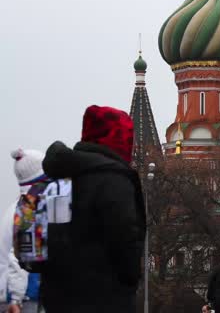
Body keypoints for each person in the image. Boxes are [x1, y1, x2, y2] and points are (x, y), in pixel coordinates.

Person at [41, 105, 146, 313]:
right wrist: (131, 277)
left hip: (57, 296)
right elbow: (124, 237)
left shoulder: (59, 178)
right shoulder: (113, 180)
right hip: (104, 296)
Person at [1, 149, 46, 313]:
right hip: (23, 298)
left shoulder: (15, 207)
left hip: (10, 293)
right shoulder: (29, 208)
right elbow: (19, 254)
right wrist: (16, 298)